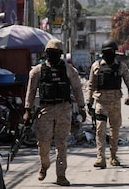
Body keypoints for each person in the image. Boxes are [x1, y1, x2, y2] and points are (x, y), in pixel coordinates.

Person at [23, 39, 86, 186]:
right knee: (43, 142)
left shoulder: (69, 70)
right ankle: (44, 165)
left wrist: (82, 108)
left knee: (61, 144)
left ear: (61, 54)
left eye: (57, 53)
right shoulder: (38, 70)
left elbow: (77, 89)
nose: (54, 56)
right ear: (46, 54)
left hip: (64, 109)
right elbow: (31, 91)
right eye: (51, 53)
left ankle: (61, 176)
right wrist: (27, 110)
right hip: (45, 110)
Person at [87, 40, 129, 169]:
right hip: (101, 102)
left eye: (111, 52)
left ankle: (113, 156)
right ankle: (100, 157)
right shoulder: (96, 66)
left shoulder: (121, 66)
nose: (109, 55)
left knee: (115, 130)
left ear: (115, 52)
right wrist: (88, 102)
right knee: (100, 129)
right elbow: (91, 85)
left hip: (115, 103)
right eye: (106, 52)